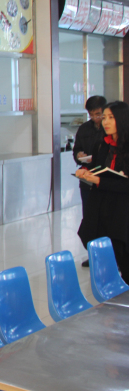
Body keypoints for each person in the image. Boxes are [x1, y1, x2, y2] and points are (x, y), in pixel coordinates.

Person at [76, 101, 129, 282]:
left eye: (111, 118)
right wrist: (85, 171)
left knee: (122, 253)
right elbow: (97, 167)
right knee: (100, 247)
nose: (105, 122)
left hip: (122, 210)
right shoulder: (104, 144)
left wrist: (99, 180)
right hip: (102, 206)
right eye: (104, 117)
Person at [73, 95, 107, 267]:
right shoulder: (84, 129)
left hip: (105, 181)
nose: (95, 118)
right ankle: (94, 255)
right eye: (92, 114)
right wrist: (78, 155)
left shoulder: (109, 128)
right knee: (89, 218)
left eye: (98, 114)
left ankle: (109, 256)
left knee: (105, 218)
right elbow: (77, 149)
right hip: (87, 180)